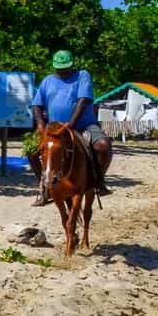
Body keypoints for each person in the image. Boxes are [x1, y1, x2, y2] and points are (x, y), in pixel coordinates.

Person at [32, 50, 112, 203]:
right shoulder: (48, 81)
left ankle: (98, 181)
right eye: (58, 68)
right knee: (31, 150)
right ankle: (43, 186)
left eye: (64, 68)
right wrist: (41, 126)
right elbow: (36, 105)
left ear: (71, 65)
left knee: (103, 145)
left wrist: (70, 124)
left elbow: (83, 101)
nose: (61, 71)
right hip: (54, 129)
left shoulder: (82, 75)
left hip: (82, 125)